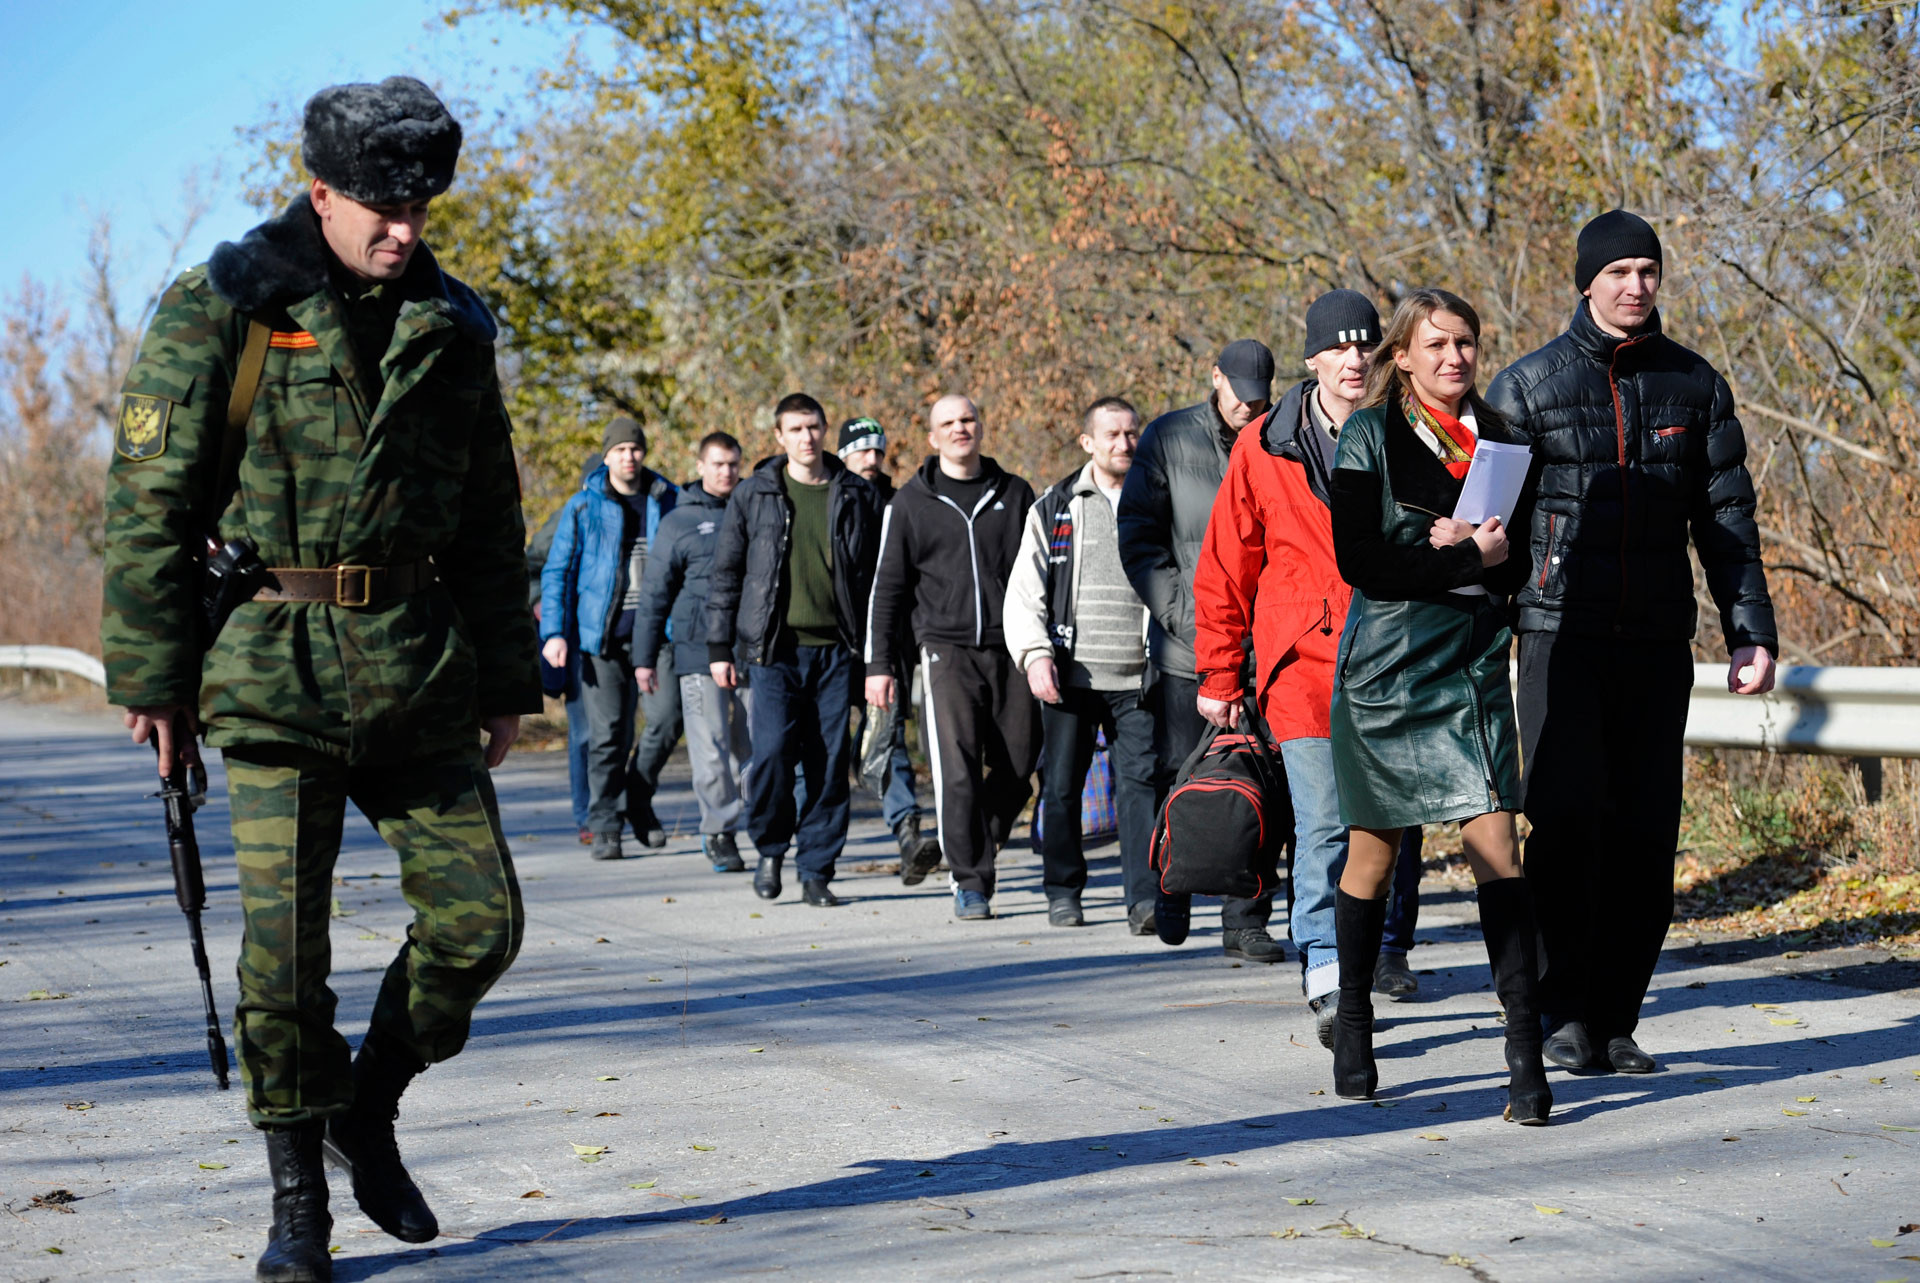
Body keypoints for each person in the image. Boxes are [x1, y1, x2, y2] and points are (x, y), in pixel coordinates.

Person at [101, 77, 538, 1281]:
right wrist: (152, 674)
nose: (404, 229)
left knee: (480, 924)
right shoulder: (225, 308)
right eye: (382, 208)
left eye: (422, 206)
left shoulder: (453, 324)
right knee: (283, 965)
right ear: (322, 192)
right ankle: (300, 1202)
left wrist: (506, 675)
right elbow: (148, 502)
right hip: (268, 672)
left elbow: (491, 521)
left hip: (414, 667)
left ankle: (366, 1106)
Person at [1488, 210, 1777, 1075]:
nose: (1635, 285)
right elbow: (1488, 525)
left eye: (1647, 270)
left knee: (1646, 839)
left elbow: (1726, 521)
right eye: (1617, 272)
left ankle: (1617, 1016)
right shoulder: (1527, 388)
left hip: (1656, 642)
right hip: (1557, 638)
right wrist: (1478, 630)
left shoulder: (1696, 384)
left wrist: (1750, 628)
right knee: (1568, 826)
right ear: (1587, 281)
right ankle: (1562, 1011)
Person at [1323, 286, 1550, 1123]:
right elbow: (1361, 562)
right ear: (1403, 354)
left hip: (1473, 667)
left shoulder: (1503, 440)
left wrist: (1491, 558)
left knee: (1499, 849)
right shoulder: (1366, 434)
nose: (1454, 357)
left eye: (1466, 343)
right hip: (1386, 671)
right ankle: (1353, 1017)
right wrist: (1447, 550)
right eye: (1438, 343)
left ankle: (1523, 1052)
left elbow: (1516, 563)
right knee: (1373, 860)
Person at [1193, 291, 1424, 1046]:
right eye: (1340, 348)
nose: (1355, 360)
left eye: (1368, 348)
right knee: (1325, 824)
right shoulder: (1263, 445)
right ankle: (1328, 972)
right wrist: (1220, 673)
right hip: (1303, 665)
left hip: (1392, 659)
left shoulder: (1409, 432)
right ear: (1312, 358)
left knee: (1383, 828)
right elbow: (1227, 566)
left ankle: (1368, 951)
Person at [1118, 339, 1286, 960]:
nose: (1248, 406)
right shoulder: (1167, 439)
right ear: (1215, 378)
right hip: (1185, 651)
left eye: (1259, 395)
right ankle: (1171, 882)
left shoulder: (1278, 437)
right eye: (1239, 393)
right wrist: (1191, 619)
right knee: (1177, 771)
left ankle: (1246, 920)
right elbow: (1139, 538)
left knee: (1261, 780)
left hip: (1264, 649)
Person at [706, 394, 884, 906]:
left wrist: (879, 657)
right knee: (771, 757)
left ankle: (816, 870)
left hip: (835, 652)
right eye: (796, 429)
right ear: (779, 437)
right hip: (773, 653)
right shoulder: (755, 493)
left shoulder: (855, 494)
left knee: (828, 765)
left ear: (826, 431)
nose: (807, 437)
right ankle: (770, 849)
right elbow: (727, 573)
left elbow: (877, 581)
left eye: (814, 427)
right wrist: (720, 646)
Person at [866, 395, 1038, 921]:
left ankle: (975, 836)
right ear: (933, 438)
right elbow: (888, 589)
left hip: (1011, 645)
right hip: (944, 649)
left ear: (981, 427)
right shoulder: (911, 503)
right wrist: (878, 666)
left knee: (1020, 761)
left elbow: (1036, 572)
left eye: (967, 419)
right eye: (948, 423)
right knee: (956, 770)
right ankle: (971, 881)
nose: (960, 429)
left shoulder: (1014, 491)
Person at [1004, 396, 1155, 929]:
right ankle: (1063, 890)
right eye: (1112, 435)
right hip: (1071, 673)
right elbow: (1025, 592)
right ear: (1088, 442)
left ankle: (1143, 900)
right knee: (1062, 787)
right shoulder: (1055, 506)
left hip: (1139, 675)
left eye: (1132, 433)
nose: (1125, 444)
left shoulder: (1156, 497)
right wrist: (1035, 656)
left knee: (1140, 787)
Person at [540, 418, 681, 860]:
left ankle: (636, 798)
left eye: (635, 448)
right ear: (606, 456)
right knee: (607, 736)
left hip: (658, 636)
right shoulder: (583, 506)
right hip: (600, 640)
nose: (628, 456)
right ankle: (604, 823)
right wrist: (554, 633)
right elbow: (557, 572)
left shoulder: (668, 499)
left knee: (667, 719)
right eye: (619, 449)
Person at [633, 432, 753, 873]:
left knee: (754, 742)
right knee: (710, 746)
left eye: (734, 464)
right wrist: (644, 659)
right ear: (700, 466)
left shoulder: (753, 511)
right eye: (718, 464)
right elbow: (654, 596)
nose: (727, 472)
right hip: (696, 652)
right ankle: (718, 830)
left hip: (750, 649)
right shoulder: (678, 522)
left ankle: (760, 819)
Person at [837, 416, 942, 877]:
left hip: (886, 650)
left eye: (877, 450)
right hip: (833, 648)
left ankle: (907, 834)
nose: (871, 458)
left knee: (889, 736)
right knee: (823, 748)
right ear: (841, 454)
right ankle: (810, 843)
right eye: (861, 449)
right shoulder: (830, 500)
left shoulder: (900, 503)